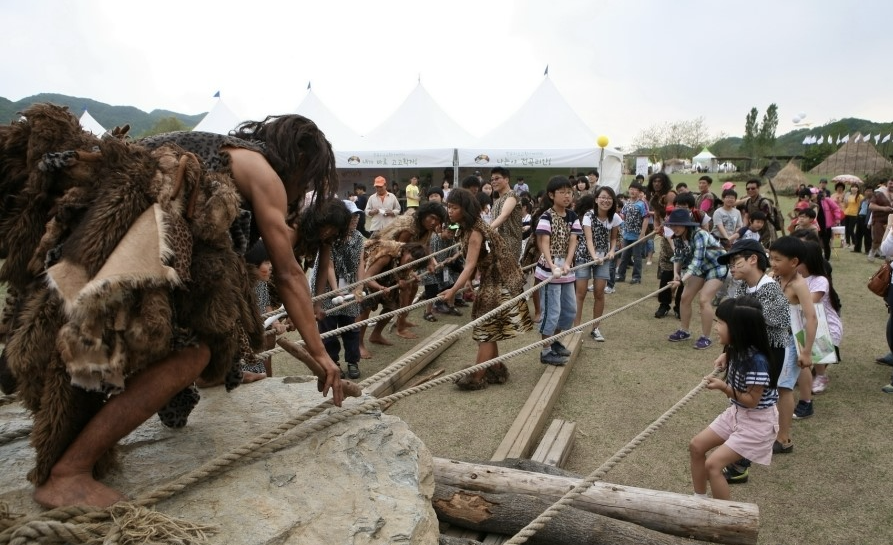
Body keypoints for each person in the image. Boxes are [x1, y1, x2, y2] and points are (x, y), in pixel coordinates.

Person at [3, 107, 346, 509]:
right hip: (121, 249)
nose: (300, 191)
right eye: (307, 181)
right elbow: (288, 274)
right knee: (192, 352)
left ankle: (208, 378)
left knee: (196, 338)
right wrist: (321, 354)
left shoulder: (227, 150)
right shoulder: (263, 171)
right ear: (301, 160)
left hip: (98, 239)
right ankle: (68, 472)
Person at [439, 189, 533, 389]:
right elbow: (474, 261)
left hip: (500, 277)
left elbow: (470, 265)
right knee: (487, 323)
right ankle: (496, 368)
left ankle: (478, 376)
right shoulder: (466, 228)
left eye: (454, 207)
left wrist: (453, 290)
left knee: (485, 326)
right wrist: (468, 283)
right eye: (449, 207)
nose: (450, 211)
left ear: (465, 209)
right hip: (491, 276)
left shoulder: (475, 230)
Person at [689, 296, 779, 501]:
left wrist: (724, 388)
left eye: (721, 323)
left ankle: (726, 518)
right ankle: (698, 501)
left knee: (713, 465)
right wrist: (727, 354)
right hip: (738, 413)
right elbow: (732, 349)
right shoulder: (738, 348)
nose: (716, 327)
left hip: (757, 423)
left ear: (739, 329)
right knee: (696, 446)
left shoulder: (758, 363)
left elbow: (751, 401)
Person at [716, 238, 789, 484]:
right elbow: (737, 325)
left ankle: (741, 462)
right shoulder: (743, 287)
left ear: (753, 259)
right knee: (743, 399)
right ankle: (739, 452)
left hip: (768, 354)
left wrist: (752, 315)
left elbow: (782, 320)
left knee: (756, 402)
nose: (732, 269)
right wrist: (729, 351)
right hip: (746, 352)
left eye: (736, 262)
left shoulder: (769, 287)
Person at [769, 236, 817, 443]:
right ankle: (772, 431)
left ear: (794, 262)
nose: (773, 263)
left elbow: (812, 317)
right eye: (771, 258)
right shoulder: (774, 277)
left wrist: (806, 351)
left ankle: (784, 439)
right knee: (774, 387)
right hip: (774, 340)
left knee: (784, 388)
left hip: (790, 341)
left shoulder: (799, 285)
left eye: (778, 259)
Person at [311, 200, 366, 380]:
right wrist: (335, 291)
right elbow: (329, 266)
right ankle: (332, 362)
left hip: (349, 285)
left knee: (351, 327)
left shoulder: (358, 237)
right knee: (328, 329)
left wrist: (360, 286)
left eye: (357, 215)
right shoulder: (331, 236)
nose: (355, 219)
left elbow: (360, 262)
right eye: (352, 216)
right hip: (327, 287)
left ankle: (352, 362)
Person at [534, 176, 582, 365]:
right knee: (552, 312)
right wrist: (552, 264)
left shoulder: (572, 216)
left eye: (569, 192)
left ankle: (554, 341)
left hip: (566, 269)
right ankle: (545, 351)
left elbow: (573, 241)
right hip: (549, 269)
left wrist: (568, 263)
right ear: (551, 195)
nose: (566, 196)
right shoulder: (546, 216)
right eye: (562, 192)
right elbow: (544, 242)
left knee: (570, 310)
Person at [665, 209, 728, 350]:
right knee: (685, 297)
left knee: (704, 299)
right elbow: (678, 256)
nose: (674, 228)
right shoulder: (678, 236)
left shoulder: (700, 234)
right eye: (672, 225)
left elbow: (697, 261)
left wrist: (681, 280)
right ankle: (684, 331)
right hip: (701, 269)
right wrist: (676, 274)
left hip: (716, 266)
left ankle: (706, 337)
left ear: (686, 225)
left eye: (678, 225)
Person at [574, 189, 620, 341]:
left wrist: (612, 251)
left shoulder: (614, 218)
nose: (606, 201)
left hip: (604, 257)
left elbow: (614, 239)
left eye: (609, 198)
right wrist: (594, 256)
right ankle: (576, 327)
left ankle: (596, 328)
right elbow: (588, 239)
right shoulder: (588, 215)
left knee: (599, 292)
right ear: (596, 199)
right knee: (580, 292)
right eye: (603, 197)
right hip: (585, 255)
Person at [797, 240, 842, 395]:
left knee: (816, 339)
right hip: (807, 322)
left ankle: (821, 376)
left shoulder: (820, 280)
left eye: (797, 260)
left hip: (826, 327)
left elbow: (809, 302)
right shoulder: (797, 277)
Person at [614, 181, 649, 285]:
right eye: (631, 189)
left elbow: (646, 219)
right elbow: (622, 216)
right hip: (626, 234)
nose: (632, 191)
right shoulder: (627, 203)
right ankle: (621, 275)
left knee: (637, 257)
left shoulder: (642, 204)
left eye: (635, 189)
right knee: (624, 256)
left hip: (637, 235)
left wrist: (642, 233)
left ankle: (636, 277)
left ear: (639, 192)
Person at [488, 167, 523, 261]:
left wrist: (486, 230)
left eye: (497, 178)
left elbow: (504, 215)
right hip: (497, 246)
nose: (493, 182)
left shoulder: (512, 195)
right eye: (492, 179)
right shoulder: (496, 202)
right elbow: (493, 222)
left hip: (510, 246)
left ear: (506, 179)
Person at [740, 179, 778, 247]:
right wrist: (744, 228)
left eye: (753, 188)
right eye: (748, 189)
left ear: (758, 188)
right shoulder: (748, 201)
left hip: (767, 233)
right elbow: (746, 216)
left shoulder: (764, 202)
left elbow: (762, 218)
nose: (750, 190)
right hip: (755, 232)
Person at [869, 178, 893, 262]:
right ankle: (872, 252)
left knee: (889, 238)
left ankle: (888, 256)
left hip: (891, 221)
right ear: (887, 184)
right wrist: (883, 208)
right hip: (879, 220)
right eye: (890, 183)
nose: (892, 185)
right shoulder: (879, 193)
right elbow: (871, 206)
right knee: (878, 239)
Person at [842, 184, 863, 249]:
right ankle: (848, 243)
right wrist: (845, 200)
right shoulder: (849, 195)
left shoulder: (860, 196)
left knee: (851, 229)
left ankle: (854, 243)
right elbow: (846, 205)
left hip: (854, 214)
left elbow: (861, 206)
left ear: (858, 188)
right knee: (846, 229)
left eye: (855, 187)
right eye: (852, 187)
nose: (854, 188)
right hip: (847, 213)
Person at [854, 187, 873, 254]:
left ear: (872, 192)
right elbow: (860, 209)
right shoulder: (863, 200)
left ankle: (867, 250)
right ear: (864, 192)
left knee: (867, 235)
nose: (868, 193)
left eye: (870, 191)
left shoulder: (873, 200)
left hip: (866, 218)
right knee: (858, 234)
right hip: (860, 217)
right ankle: (857, 249)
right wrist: (857, 217)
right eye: (867, 191)